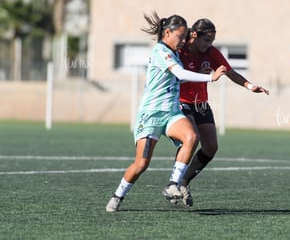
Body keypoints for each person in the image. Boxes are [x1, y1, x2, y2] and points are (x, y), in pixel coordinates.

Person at [105, 13, 227, 212]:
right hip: (152, 115)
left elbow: (178, 79)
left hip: (171, 113)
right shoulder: (161, 51)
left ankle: (173, 184)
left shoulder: (176, 52)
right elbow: (179, 73)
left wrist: (200, 76)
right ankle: (118, 195)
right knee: (141, 164)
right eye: (180, 36)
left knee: (191, 136)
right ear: (168, 32)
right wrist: (210, 78)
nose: (183, 41)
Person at [170, 18, 269, 206]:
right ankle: (173, 183)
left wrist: (249, 86)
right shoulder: (180, 51)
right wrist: (201, 72)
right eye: (206, 40)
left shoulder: (211, 53)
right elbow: (175, 78)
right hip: (181, 101)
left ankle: (184, 182)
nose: (210, 45)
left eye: (212, 41)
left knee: (211, 147)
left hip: (200, 103)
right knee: (192, 137)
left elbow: (229, 72)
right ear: (194, 35)